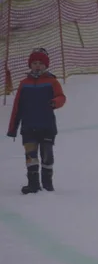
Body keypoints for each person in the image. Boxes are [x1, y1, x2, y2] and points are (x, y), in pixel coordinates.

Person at [6, 47, 66, 194]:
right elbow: (17, 107)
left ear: (46, 65)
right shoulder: (24, 83)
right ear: (30, 65)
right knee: (30, 156)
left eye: (40, 63)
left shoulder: (52, 81)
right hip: (28, 127)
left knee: (47, 155)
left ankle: (47, 184)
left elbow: (61, 97)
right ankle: (33, 184)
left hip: (46, 126)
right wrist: (13, 128)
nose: (37, 66)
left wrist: (55, 102)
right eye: (34, 63)